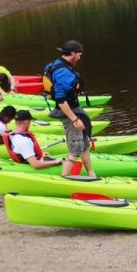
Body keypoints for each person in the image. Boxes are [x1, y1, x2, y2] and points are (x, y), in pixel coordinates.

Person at [44, 40, 95, 178]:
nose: (79, 57)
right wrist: (74, 119)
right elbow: (60, 100)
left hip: (73, 109)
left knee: (84, 142)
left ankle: (91, 173)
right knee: (76, 148)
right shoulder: (63, 72)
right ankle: (63, 178)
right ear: (72, 53)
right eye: (79, 54)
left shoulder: (55, 64)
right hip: (68, 112)